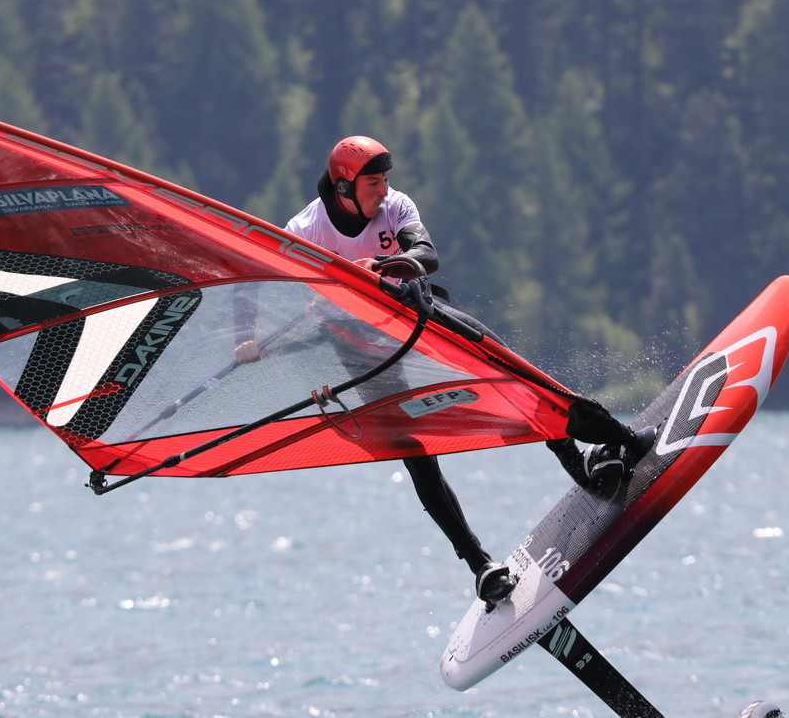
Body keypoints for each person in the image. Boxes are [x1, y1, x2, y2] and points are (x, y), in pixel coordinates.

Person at [236, 136, 648, 607]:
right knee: (416, 454)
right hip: (360, 353)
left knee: (515, 377)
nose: (384, 192)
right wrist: (245, 338)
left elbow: (427, 257)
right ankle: (481, 567)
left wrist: (385, 264)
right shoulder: (305, 230)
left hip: (420, 320)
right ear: (344, 186)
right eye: (374, 184)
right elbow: (251, 281)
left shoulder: (395, 207)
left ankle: (605, 453)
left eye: (386, 180)